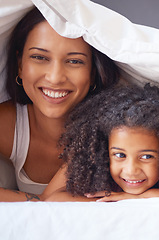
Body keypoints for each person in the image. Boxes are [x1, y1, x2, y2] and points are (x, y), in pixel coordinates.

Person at [0, 7, 119, 201]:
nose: (55, 78)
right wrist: (42, 200)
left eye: (74, 61)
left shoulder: (115, 132)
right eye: (39, 57)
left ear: (93, 73)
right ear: (20, 65)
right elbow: (49, 202)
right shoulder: (8, 124)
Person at [44, 84, 159, 203]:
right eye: (119, 155)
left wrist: (142, 197)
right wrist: (110, 201)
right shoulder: (90, 166)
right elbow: (50, 199)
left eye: (146, 156)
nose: (131, 170)